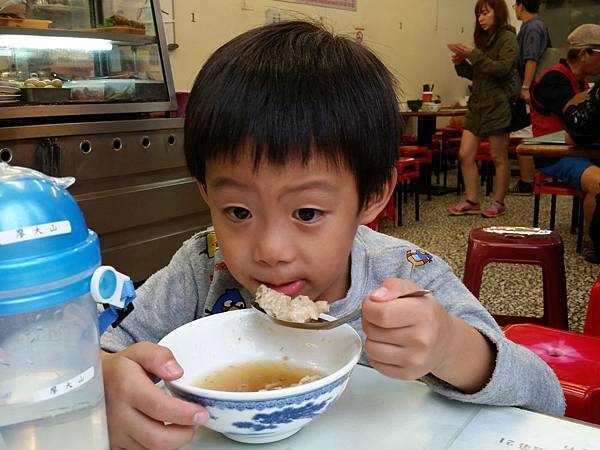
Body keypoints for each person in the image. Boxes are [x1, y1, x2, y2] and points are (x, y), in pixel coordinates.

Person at [100, 20, 565, 450]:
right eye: (238, 211)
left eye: (307, 212)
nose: (271, 251)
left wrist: (450, 348)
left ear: (373, 195)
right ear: (206, 192)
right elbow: (96, 348)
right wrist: (106, 382)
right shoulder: (203, 266)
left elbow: (546, 397)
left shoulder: (408, 275)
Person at [530, 23, 600, 263]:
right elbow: (573, 113)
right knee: (598, 183)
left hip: (579, 150)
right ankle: (592, 242)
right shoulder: (554, 79)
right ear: (584, 54)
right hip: (553, 155)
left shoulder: (581, 82)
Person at [448, 0, 518, 218]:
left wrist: (474, 55)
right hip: (477, 105)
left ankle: (499, 202)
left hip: (498, 105)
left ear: (498, 12)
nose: (481, 19)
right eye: (478, 14)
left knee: (498, 156)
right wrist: (461, 63)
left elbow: (502, 69)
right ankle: (472, 200)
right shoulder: (483, 39)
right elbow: (479, 75)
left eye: (485, 13)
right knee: (465, 154)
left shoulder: (508, 37)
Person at [508, 0, 551, 195]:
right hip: (534, 88)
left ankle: (526, 181)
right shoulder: (537, 25)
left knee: (524, 134)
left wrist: (525, 87)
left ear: (521, 6)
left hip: (530, 88)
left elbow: (530, 59)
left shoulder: (532, 27)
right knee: (528, 133)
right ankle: (534, 178)